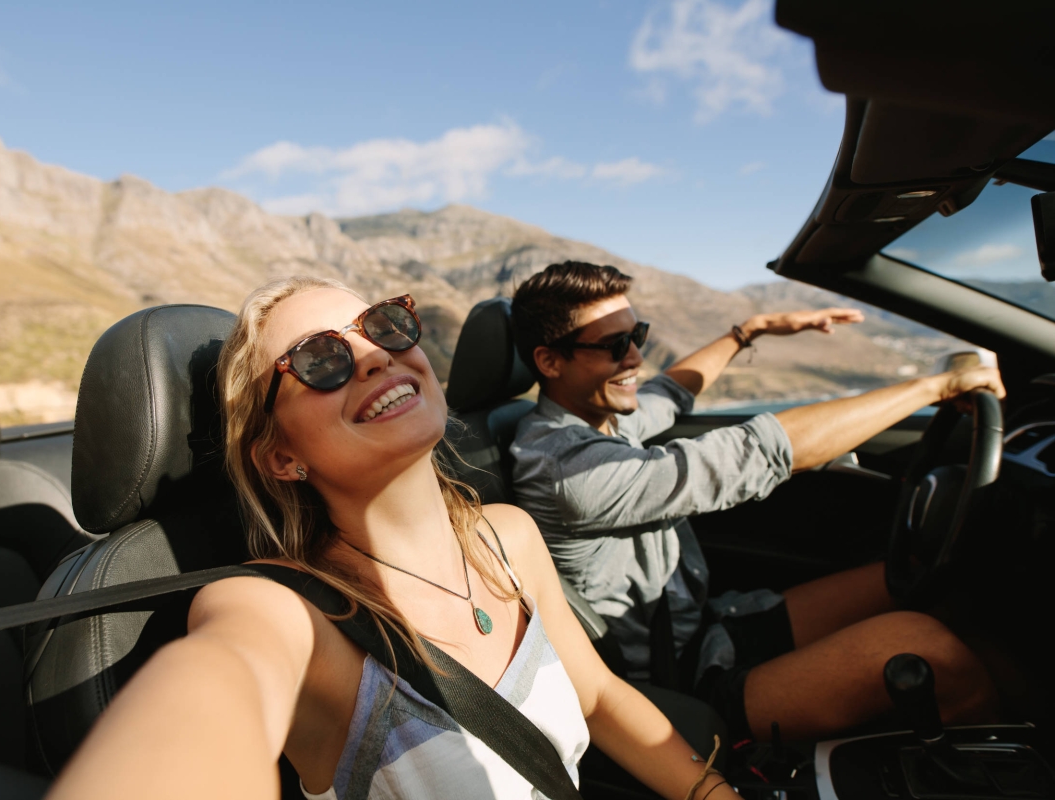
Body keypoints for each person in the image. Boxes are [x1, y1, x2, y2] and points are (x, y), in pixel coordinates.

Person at [49, 276, 742, 800]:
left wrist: (716, 794)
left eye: (382, 326)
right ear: (281, 456)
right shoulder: (285, 613)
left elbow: (598, 694)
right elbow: (213, 697)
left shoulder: (510, 538)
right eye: (319, 359)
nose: (375, 357)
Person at [508, 261, 1003, 744]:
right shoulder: (568, 469)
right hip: (676, 682)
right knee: (934, 651)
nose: (636, 356)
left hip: (708, 628)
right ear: (550, 361)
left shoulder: (596, 417)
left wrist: (750, 330)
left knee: (920, 578)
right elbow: (757, 453)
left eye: (636, 333)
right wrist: (934, 387)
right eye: (616, 345)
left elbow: (673, 390)